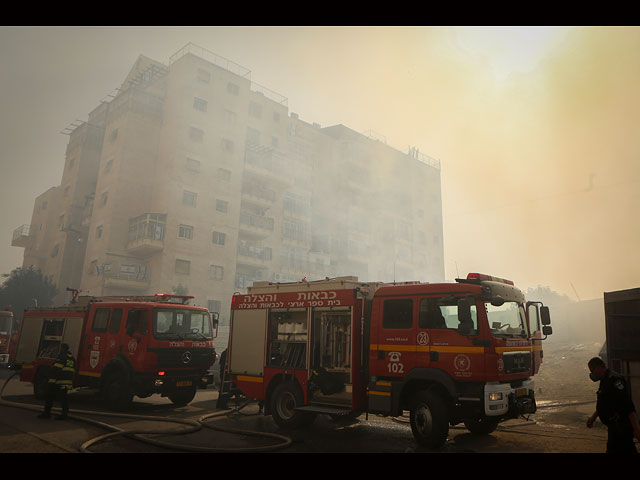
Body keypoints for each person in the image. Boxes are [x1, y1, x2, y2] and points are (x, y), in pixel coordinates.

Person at [586, 356, 640, 452]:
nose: (592, 374)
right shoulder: (604, 381)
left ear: (598, 367)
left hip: (622, 428)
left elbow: (628, 406)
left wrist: (636, 429)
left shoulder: (615, 380)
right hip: (613, 429)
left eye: (592, 370)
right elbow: (604, 404)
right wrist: (593, 418)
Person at [37, 343, 76, 420]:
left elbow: (56, 370)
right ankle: (65, 414)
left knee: (49, 396)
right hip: (67, 382)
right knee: (63, 398)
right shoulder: (72, 358)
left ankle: (47, 413)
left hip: (58, 381)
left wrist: (50, 381)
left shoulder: (61, 357)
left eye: (60, 348)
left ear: (63, 349)